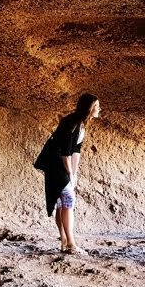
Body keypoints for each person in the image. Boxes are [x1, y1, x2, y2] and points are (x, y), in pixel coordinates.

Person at [42, 93, 101, 254]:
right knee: (68, 200)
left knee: (62, 203)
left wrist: (74, 175)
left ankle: (64, 242)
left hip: (61, 166)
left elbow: (76, 151)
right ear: (89, 108)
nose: (99, 109)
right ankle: (71, 244)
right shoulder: (73, 123)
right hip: (57, 165)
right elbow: (65, 154)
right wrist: (69, 173)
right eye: (97, 106)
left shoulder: (80, 125)